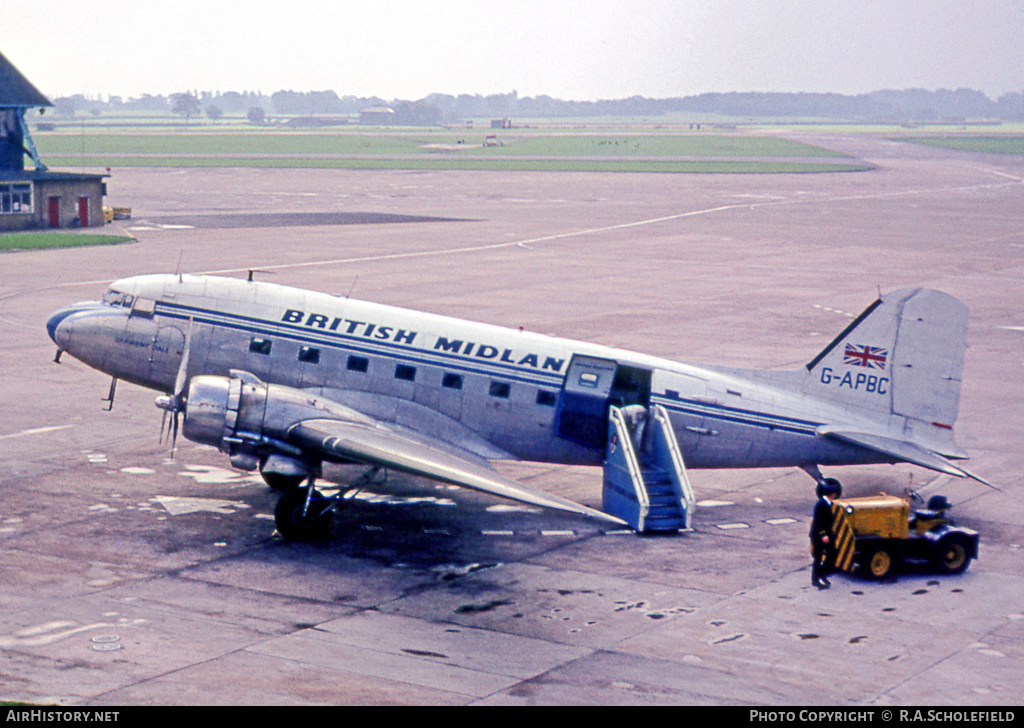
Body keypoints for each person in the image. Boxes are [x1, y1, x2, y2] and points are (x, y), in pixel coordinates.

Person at [810, 479, 840, 589]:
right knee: (818, 558)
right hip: (819, 535)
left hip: (827, 534)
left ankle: (821, 574)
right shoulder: (821, 505)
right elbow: (818, 521)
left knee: (833, 553)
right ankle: (815, 579)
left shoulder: (828, 504)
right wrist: (823, 535)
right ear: (832, 494)